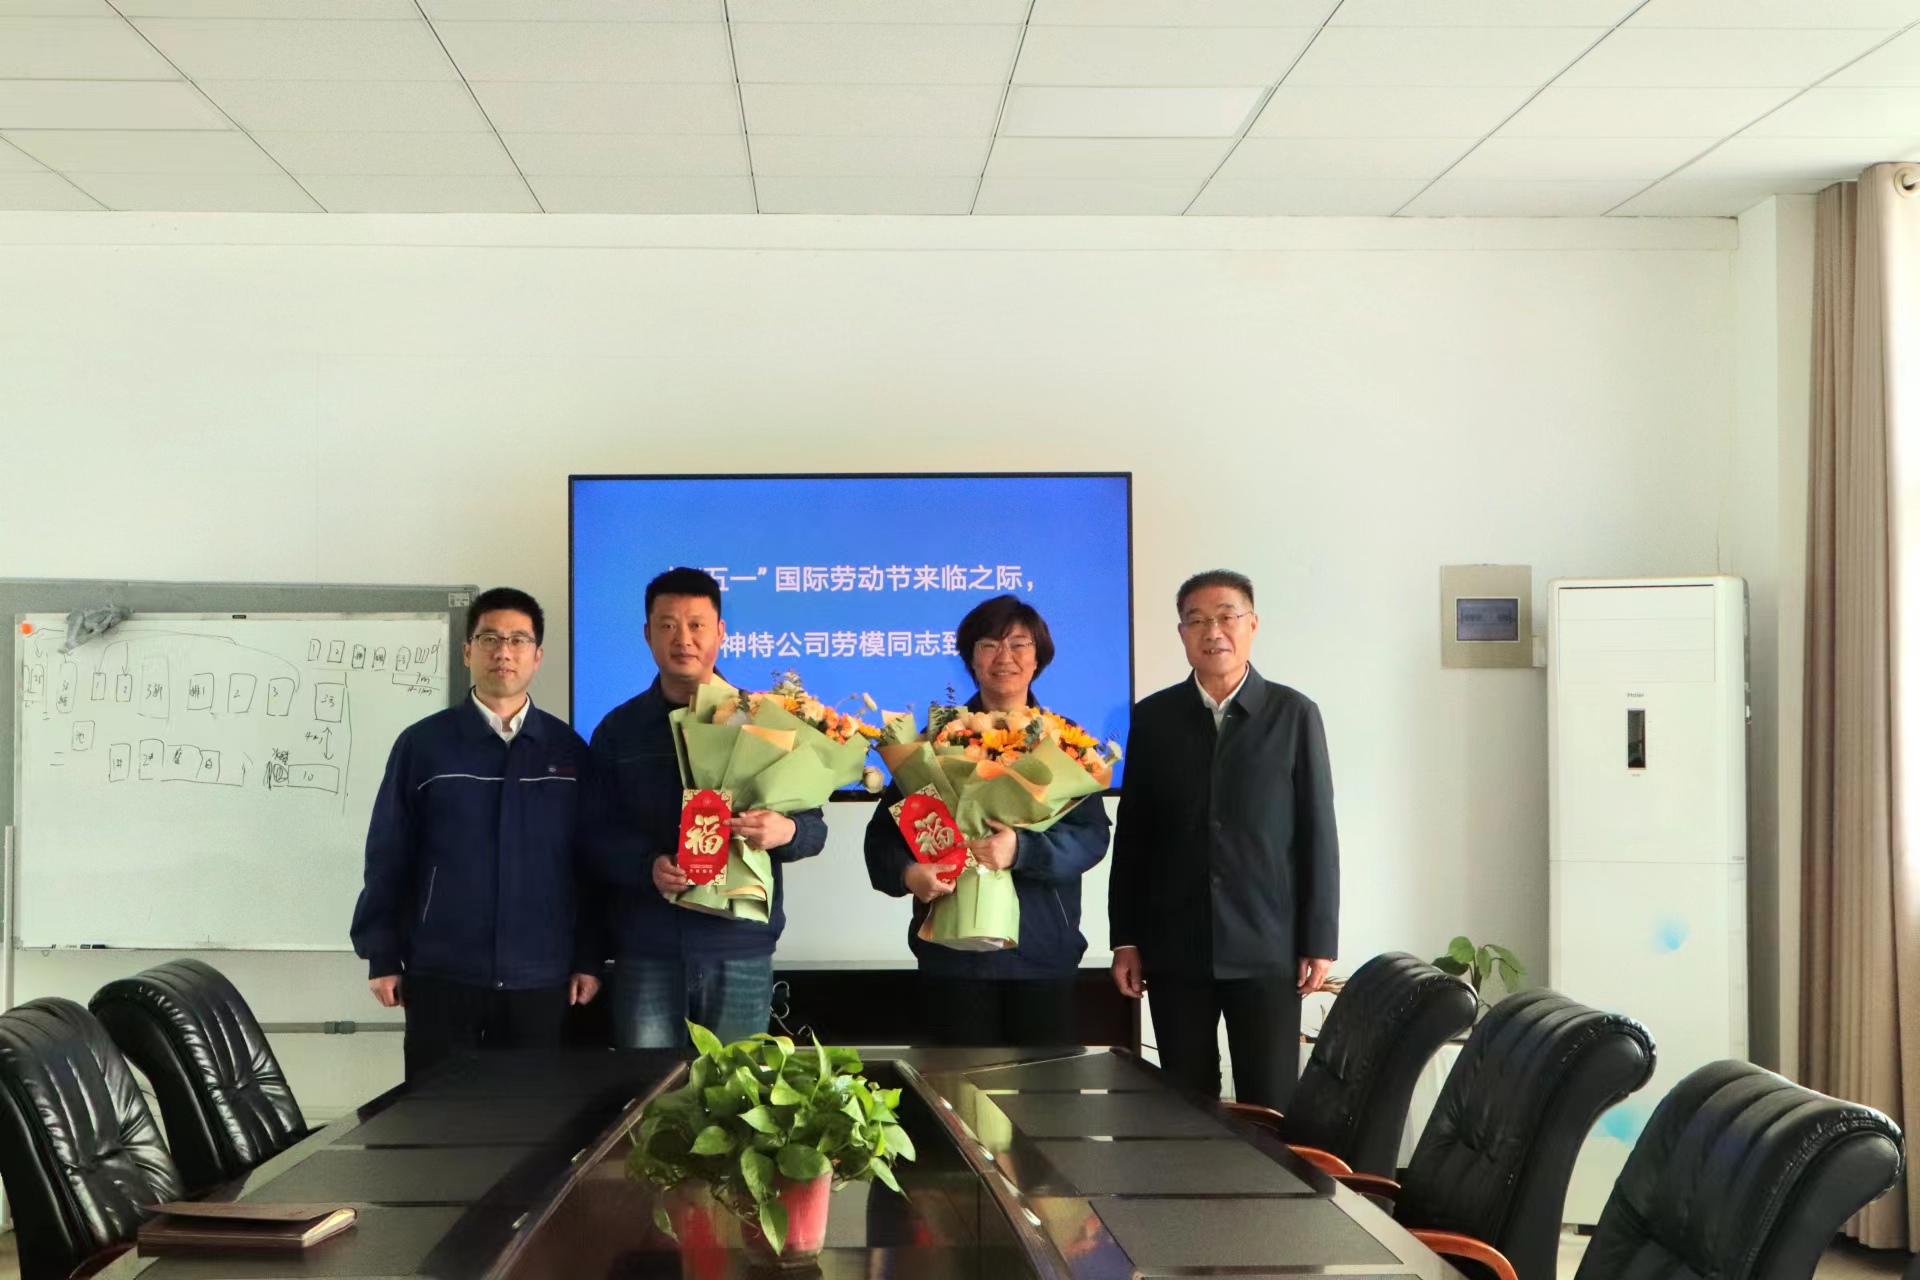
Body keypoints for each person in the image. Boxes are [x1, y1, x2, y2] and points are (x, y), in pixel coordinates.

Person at [1108, 570, 1339, 1110]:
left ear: (1252, 625)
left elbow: (1318, 832)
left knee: (1269, 1101)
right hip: (1175, 945)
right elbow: (1134, 836)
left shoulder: (1293, 714)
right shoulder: (1154, 718)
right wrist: (1126, 938)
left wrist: (1319, 938)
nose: (1213, 631)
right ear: (1182, 634)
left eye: (1226, 617)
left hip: (1267, 945)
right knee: (1185, 1104)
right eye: (1197, 620)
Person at [351, 587, 601, 1082]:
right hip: (442, 973)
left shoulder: (568, 751)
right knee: (437, 1115)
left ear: (537, 656)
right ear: (468, 651)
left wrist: (590, 956)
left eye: (518, 640)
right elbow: (389, 853)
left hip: (540, 978)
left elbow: (589, 865)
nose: (503, 652)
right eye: (489, 638)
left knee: (530, 1118)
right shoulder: (423, 745)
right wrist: (382, 953)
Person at [585, 567, 825, 1048]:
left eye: (696, 625)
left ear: (720, 632)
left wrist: (784, 831)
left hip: (739, 945)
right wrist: (647, 866)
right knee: (650, 1088)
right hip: (647, 946)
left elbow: (813, 829)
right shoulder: (618, 730)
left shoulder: (765, 721)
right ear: (647, 634)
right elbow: (594, 832)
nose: (683, 639)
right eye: (668, 625)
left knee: (739, 1089)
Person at [864, 595, 1111, 1047]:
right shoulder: (935, 742)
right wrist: (909, 874)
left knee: (1045, 1088)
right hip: (951, 954)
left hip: (1042, 953)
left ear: (1038, 658)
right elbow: (883, 837)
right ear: (971, 659)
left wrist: (1023, 850)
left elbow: (1091, 836)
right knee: (956, 1087)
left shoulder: (1065, 743)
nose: (1004, 657)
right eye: (989, 645)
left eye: (1019, 644)